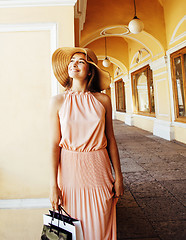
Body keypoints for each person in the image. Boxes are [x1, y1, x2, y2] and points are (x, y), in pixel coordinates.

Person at [49, 47, 124, 240]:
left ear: (89, 70)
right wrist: (53, 185)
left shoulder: (103, 100)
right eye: (72, 61)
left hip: (98, 171)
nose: (74, 64)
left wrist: (119, 176)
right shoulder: (57, 101)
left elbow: (111, 139)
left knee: (99, 227)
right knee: (72, 230)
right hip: (69, 174)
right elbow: (54, 144)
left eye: (80, 61)